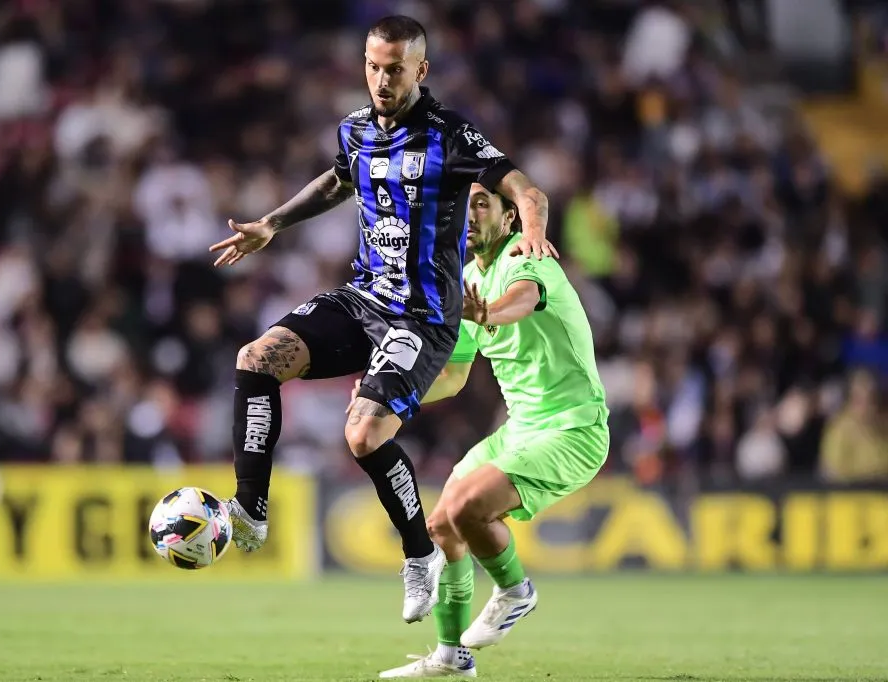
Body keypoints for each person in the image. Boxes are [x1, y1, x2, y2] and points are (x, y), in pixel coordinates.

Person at [208, 16, 556, 624]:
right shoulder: (355, 130)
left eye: (395, 68)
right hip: (364, 299)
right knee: (254, 360)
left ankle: (418, 553)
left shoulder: (450, 135)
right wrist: (272, 224)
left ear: (420, 69)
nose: (381, 78)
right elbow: (339, 180)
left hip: (422, 317)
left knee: (362, 436)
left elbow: (528, 189)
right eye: (373, 66)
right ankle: (251, 510)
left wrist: (530, 230)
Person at [374, 183, 609, 677]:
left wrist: (489, 312)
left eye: (484, 202)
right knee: (440, 525)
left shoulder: (527, 255)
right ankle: (450, 657)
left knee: (465, 507)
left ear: (508, 220)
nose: (472, 212)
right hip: (521, 429)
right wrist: (388, 395)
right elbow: (454, 377)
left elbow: (522, 300)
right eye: (467, 204)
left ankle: (516, 591)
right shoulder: (462, 281)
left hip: (573, 429)